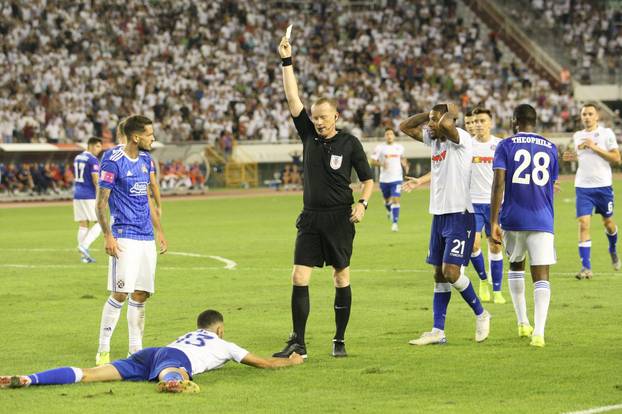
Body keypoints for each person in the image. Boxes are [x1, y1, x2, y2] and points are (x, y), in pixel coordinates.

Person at [273, 36, 374, 358]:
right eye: (314, 117)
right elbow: (292, 97)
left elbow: (368, 180)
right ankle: (298, 341)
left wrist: (363, 204)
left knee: (340, 275)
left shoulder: (350, 143)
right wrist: (287, 62)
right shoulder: (308, 136)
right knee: (299, 274)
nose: (317, 121)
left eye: (323, 117)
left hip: (340, 218)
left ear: (336, 117)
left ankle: (339, 339)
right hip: (311, 216)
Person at [1, 310, 304, 393]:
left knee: (88, 375)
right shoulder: (225, 344)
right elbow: (264, 363)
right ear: (220, 329)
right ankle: (171, 382)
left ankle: (30, 378)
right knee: (176, 371)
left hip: (151, 353)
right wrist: (290, 361)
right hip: (173, 360)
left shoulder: (191, 333)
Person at [400, 103, 491, 346]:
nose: (429, 125)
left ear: (448, 120)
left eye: (434, 121)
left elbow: (448, 125)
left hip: (460, 214)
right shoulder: (435, 140)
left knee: (452, 272)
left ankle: (482, 314)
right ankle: (438, 331)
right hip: (439, 214)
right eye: (430, 121)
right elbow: (405, 126)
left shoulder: (460, 137)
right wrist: (429, 114)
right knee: (439, 274)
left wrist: (446, 115)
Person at [94, 115, 168, 366]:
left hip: (146, 236)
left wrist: (159, 230)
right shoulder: (112, 160)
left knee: (141, 294)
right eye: (150, 134)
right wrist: (108, 235)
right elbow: (101, 202)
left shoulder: (147, 160)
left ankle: (135, 351)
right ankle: (103, 350)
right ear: (136, 137)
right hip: (124, 235)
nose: (153, 138)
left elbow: (146, 197)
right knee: (120, 293)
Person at [490, 104, 559, 347]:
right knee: (541, 274)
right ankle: (538, 333)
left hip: (513, 217)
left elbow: (498, 183)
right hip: (542, 218)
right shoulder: (551, 147)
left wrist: (493, 221)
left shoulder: (505, 145)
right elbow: (551, 183)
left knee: (516, 266)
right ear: (535, 121)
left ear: (515, 121)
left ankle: (522, 322)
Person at [562, 103, 621, 279]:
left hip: (603, 187)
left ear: (597, 116)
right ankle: (586, 267)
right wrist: (569, 155)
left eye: (590, 114)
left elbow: (616, 158)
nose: (586, 117)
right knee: (583, 223)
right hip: (583, 187)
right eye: (584, 114)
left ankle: (613, 249)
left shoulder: (606, 133)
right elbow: (574, 156)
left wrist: (594, 147)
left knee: (608, 223)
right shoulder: (577, 135)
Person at [468, 108, 506, 304]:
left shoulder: (500, 145)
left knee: (495, 245)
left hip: (495, 204)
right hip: (472, 203)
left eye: (482, 120)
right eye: (475, 121)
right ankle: (483, 280)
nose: (478, 124)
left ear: (490, 123)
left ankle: (498, 290)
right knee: (474, 245)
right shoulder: (467, 145)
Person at [103, 116, 163, 218]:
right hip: (139, 215)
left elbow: (104, 192)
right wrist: (159, 206)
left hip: (119, 216)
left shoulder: (110, 155)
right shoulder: (144, 156)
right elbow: (153, 184)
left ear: (119, 134)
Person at [371, 128, 408, 232]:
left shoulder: (399, 148)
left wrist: (405, 164)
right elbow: (372, 161)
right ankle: (389, 210)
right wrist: (381, 164)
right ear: (385, 136)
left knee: (396, 199)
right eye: (387, 134)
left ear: (394, 136)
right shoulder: (380, 148)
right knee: (387, 200)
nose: (389, 136)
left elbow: (402, 158)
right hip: (384, 179)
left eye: (391, 134)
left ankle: (395, 223)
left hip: (397, 178)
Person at [73, 137, 103, 263]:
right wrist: (101, 197)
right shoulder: (92, 160)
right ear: (90, 146)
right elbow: (96, 180)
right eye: (97, 146)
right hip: (89, 195)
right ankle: (84, 245)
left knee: (83, 224)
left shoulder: (78, 157)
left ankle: (84, 256)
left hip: (77, 194)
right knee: (100, 223)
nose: (99, 149)